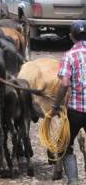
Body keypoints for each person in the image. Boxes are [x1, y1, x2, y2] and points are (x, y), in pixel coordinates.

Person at [51, 20, 86, 185]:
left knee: (66, 145)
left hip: (76, 111)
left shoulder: (69, 55)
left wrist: (56, 105)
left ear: (72, 37)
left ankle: (73, 181)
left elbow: (64, 83)